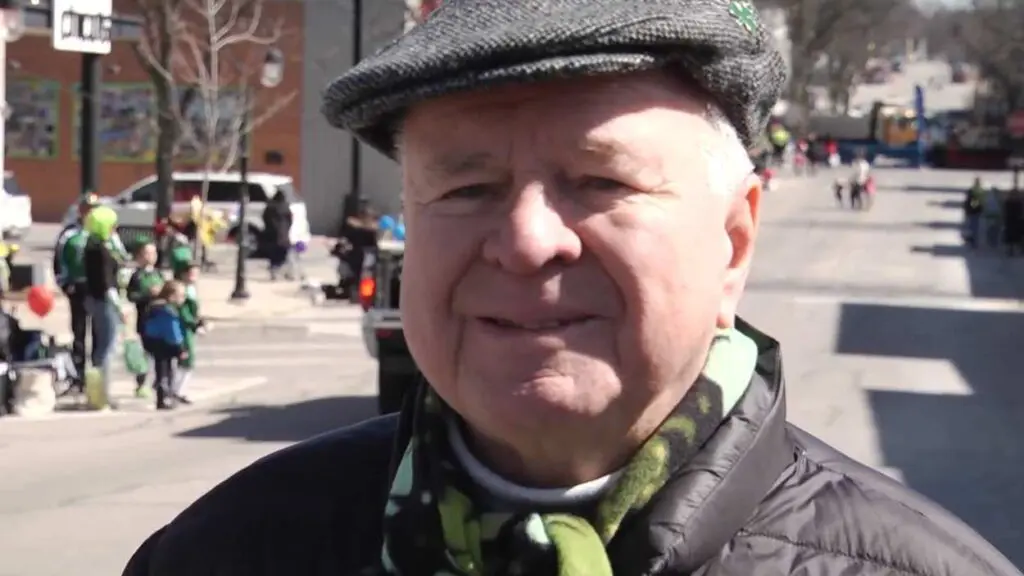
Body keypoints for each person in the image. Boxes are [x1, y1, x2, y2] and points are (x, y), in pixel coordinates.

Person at [123, 1, 1023, 574]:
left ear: (734, 242)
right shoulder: (233, 548)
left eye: (599, 182)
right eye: (465, 188)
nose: (525, 242)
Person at [53, 194, 100, 394]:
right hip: (77, 288)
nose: (90, 212)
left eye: (94, 209)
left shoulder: (102, 232)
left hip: (98, 289)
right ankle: (78, 377)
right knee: (79, 333)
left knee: (99, 334)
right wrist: (64, 284)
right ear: (80, 210)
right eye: (87, 208)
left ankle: (97, 378)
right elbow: (59, 260)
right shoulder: (69, 233)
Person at [82, 206, 125, 410]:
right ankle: (103, 394)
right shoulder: (102, 251)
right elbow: (107, 282)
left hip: (95, 299)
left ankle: (96, 393)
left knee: (100, 347)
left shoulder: (91, 246)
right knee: (107, 348)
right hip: (105, 301)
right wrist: (120, 307)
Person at [142, 280, 188, 410]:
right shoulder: (169, 311)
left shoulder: (153, 308)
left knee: (160, 369)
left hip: (153, 341)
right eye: (181, 296)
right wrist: (180, 348)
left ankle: (161, 396)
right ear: (172, 296)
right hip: (165, 343)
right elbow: (173, 332)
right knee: (167, 371)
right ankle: (164, 397)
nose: (183, 299)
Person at [126, 242, 164, 397]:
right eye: (147, 253)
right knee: (145, 353)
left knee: (161, 352)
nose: (151, 257)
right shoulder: (137, 276)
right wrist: (148, 294)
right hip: (145, 319)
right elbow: (131, 296)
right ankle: (141, 383)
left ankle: (160, 381)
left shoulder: (158, 274)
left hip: (160, 318)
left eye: (153, 253)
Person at [171, 261, 204, 405]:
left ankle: (180, 389)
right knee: (186, 359)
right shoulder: (183, 291)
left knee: (187, 360)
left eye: (196, 273)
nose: (193, 276)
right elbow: (184, 313)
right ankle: (177, 390)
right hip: (183, 329)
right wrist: (195, 325)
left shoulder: (191, 289)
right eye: (190, 273)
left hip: (188, 328)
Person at [262, 191, 293, 281]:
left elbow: (265, 218)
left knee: (273, 254)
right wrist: (287, 228)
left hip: (272, 233)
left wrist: (269, 227)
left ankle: (274, 273)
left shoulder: (270, 207)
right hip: (284, 233)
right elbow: (290, 220)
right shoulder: (285, 207)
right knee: (284, 253)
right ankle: (286, 272)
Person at [963, 177, 985, 248]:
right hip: (976, 211)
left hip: (972, 211)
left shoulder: (972, 190)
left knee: (972, 226)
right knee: (975, 226)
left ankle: (972, 240)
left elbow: (969, 201)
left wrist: (968, 209)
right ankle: (974, 241)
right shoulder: (980, 190)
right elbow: (981, 201)